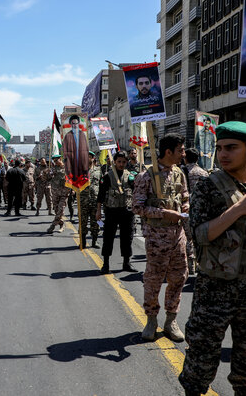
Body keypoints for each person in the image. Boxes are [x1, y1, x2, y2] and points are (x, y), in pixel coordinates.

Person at [179, 121, 246, 396]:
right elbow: (199, 234)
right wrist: (238, 209)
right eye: (219, 148)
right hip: (215, 288)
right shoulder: (208, 187)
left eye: (231, 148)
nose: (223, 154)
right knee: (200, 359)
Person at [133, 133, 189, 342]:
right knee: (154, 279)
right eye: (180, 150)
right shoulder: (146, 176)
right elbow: (137, 207)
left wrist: (185, 208)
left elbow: (184, 196)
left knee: (178, 278)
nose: (183, 154)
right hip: (157, 239)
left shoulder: (179, 174)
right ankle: (151, 320)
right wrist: (163, 214)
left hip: (178, 237)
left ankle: (171, 320)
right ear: (168, 151)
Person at [96, 151, 138, 273]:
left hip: (127, 211)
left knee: (127, 237)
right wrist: (98, 211)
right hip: (111, 211)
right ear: (114, 162)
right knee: (108, 237)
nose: (121, 164)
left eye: (124, 162)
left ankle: (126, 263)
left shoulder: (130, 176)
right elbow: (101, 195)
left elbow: (136, 193)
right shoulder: (107, 177)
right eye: (119, 162)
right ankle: (106, 264)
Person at [182, 148, 209, 275]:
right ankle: (200, 264)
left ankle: (190, 265)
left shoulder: (182, 172)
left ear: (185, 158)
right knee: (200, 237)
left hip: (186, 208)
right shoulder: (204, 173)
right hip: (202, 209)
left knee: (188, 238)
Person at [80, 152, 101, 249]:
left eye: (89, 157)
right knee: (83, 222)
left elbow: (102, 185)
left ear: (93, 158)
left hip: (95, 201)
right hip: (83, 200)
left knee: (95, 222)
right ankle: (83, 241)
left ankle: (94, 240)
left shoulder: (99, 170)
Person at [62, 115, 89, 184]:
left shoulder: (82, 134)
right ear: (71, 124)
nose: (75, 125)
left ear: (78, 124)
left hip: (81, 160)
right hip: (72, 161)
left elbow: (86, 149)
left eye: (76, 123)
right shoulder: (68, 135)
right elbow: (64, 150)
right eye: (73, 123)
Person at [47, 155, 70, 233]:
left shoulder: (67, 168)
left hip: (64, 192)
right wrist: (47, 174)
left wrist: (72, 190)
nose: (55, 162)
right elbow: (47, 178)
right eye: (54, 161)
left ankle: (52, 225)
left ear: (60, 159)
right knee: (57, 210)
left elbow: (71, 179)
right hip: (55, 192)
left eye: (56, 160)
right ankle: (61, 224)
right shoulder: (53, 168)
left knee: (60, 209)